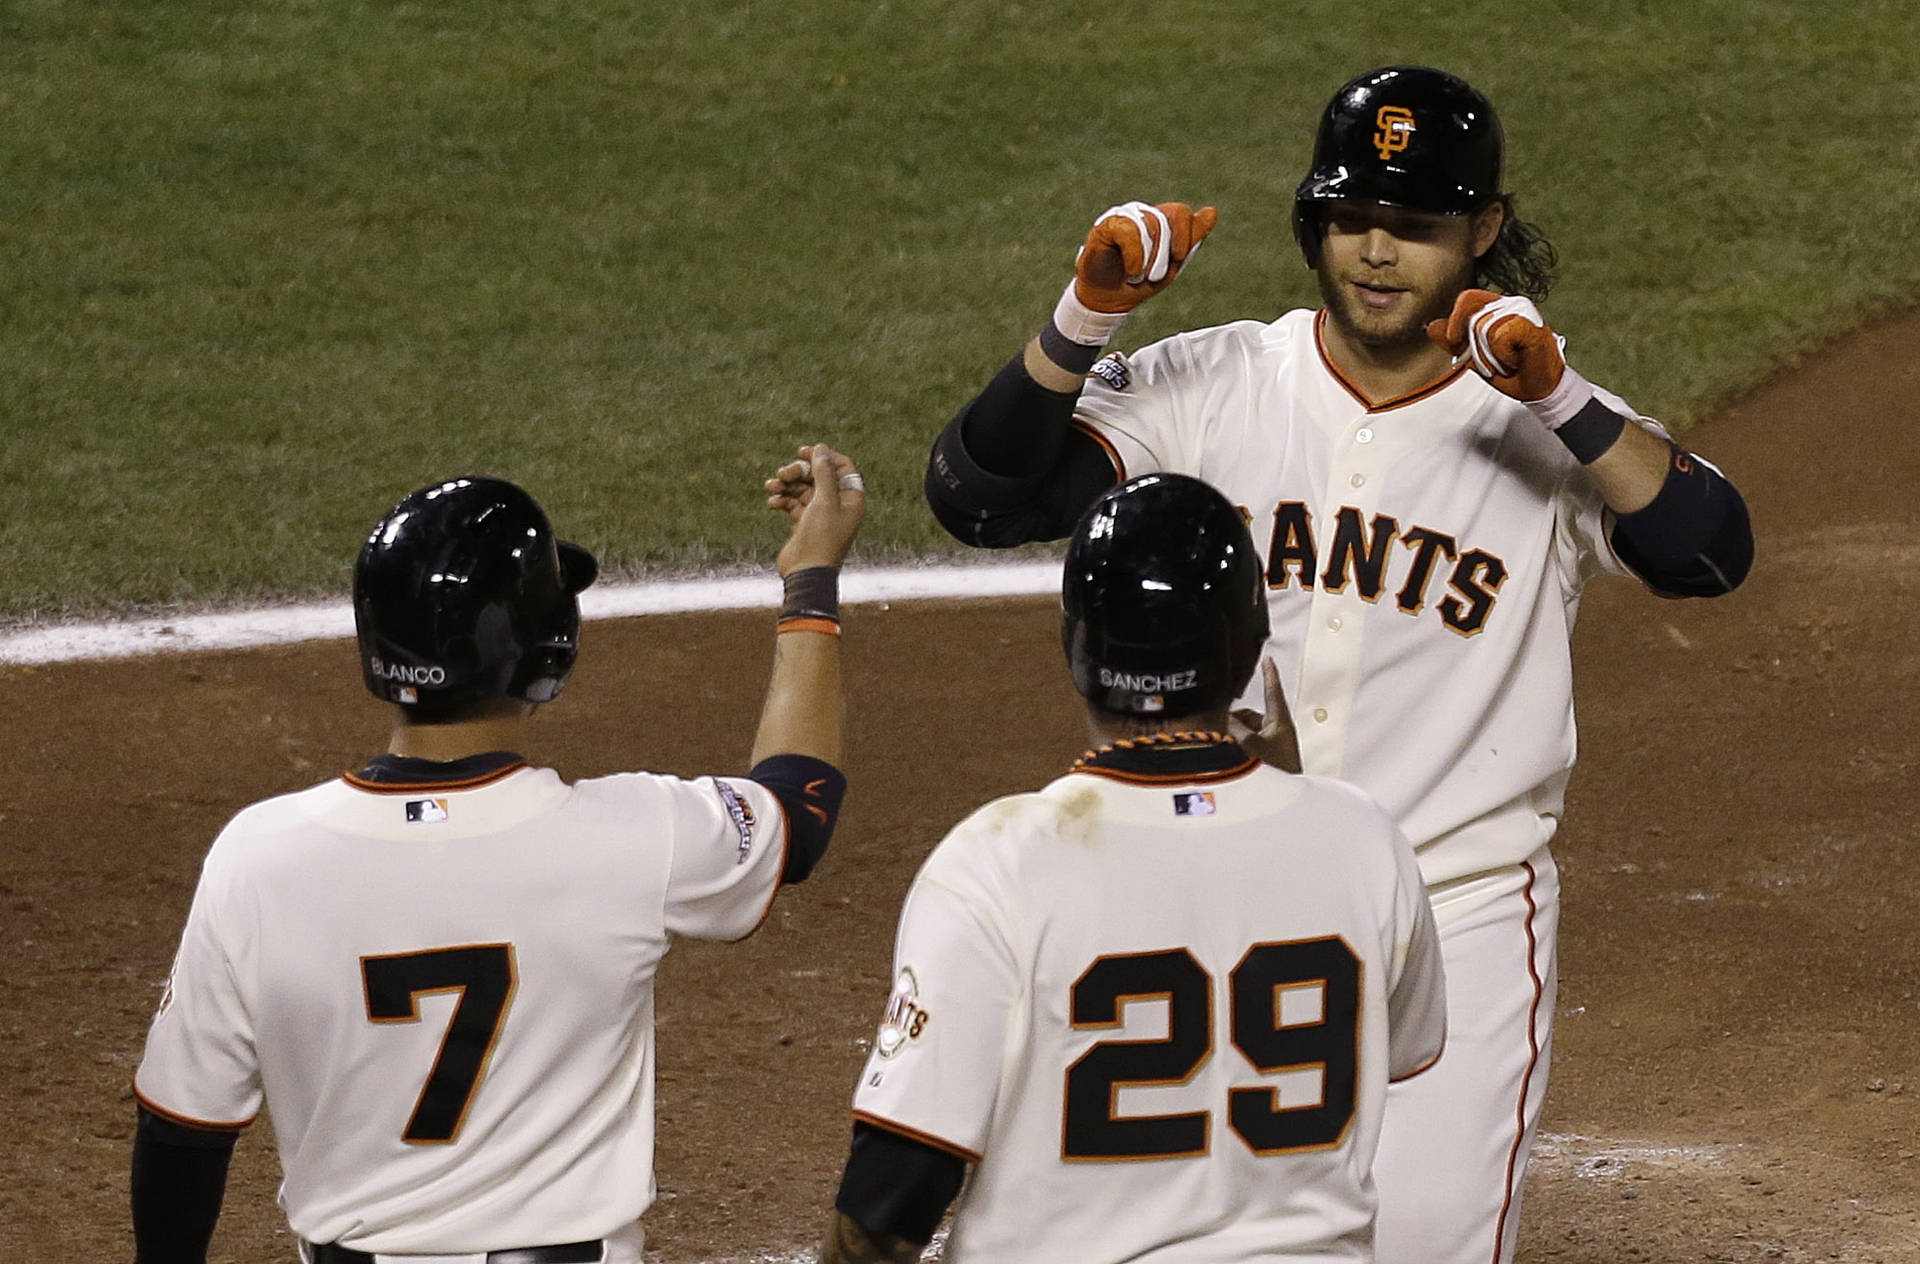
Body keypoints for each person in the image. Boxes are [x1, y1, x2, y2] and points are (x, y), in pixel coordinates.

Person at [920, 65, 1754, 1264]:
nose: (1376, 252)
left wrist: (1561, 396)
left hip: (1456, 910)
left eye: (1414, 226)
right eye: (1354, 218)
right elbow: (980, 499)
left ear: (1482, 232)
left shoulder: (1546, 417)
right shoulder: (1219, 383)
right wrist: (1083, 317)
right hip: (1226, 905)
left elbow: (1710, 554)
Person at [129, 445, 867, 1264]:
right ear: (546, 647)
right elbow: (800, 805)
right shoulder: (635, 837)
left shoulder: (256, 858)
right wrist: (811, 578)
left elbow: (182, 1132)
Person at [822, 472, 1447, 1263]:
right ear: (1251, 645)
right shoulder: (1365, 840)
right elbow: (1401, 1049)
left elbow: (887, 1207)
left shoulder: (998, 861)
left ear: (1078, 649)